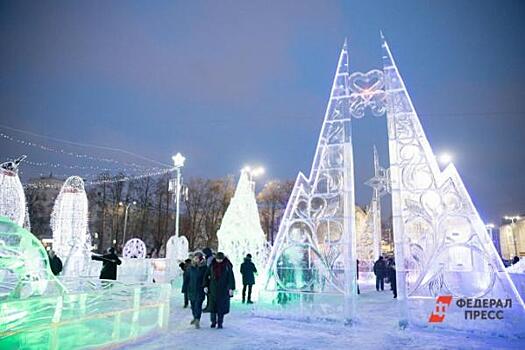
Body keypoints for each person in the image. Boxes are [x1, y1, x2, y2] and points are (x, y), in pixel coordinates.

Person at [203, 252, 235, 329]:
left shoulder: (227, 266)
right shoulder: (212, 265)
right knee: (212, 307)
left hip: (223, 290)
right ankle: (213, 322)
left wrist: (231, 288)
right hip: (213, 289)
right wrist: (205, 285)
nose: (219, 261)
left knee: (221, 308)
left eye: (220, 259)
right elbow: (206, 275)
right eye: (218, 259)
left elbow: (231, 277)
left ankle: (220, 322)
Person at [187, 252, 207, 329]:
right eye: (194, 258)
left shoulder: (204, 268)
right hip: (191, 289)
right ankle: (195, 317)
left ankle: (197, 319)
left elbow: (206, 278)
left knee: (198, 305)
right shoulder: (191, 267)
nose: (195, 259)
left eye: (197, 258)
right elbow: (187, 278)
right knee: (192, 305)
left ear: (200, 259)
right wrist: (186, 288)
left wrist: (205, 286)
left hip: (200, 289)